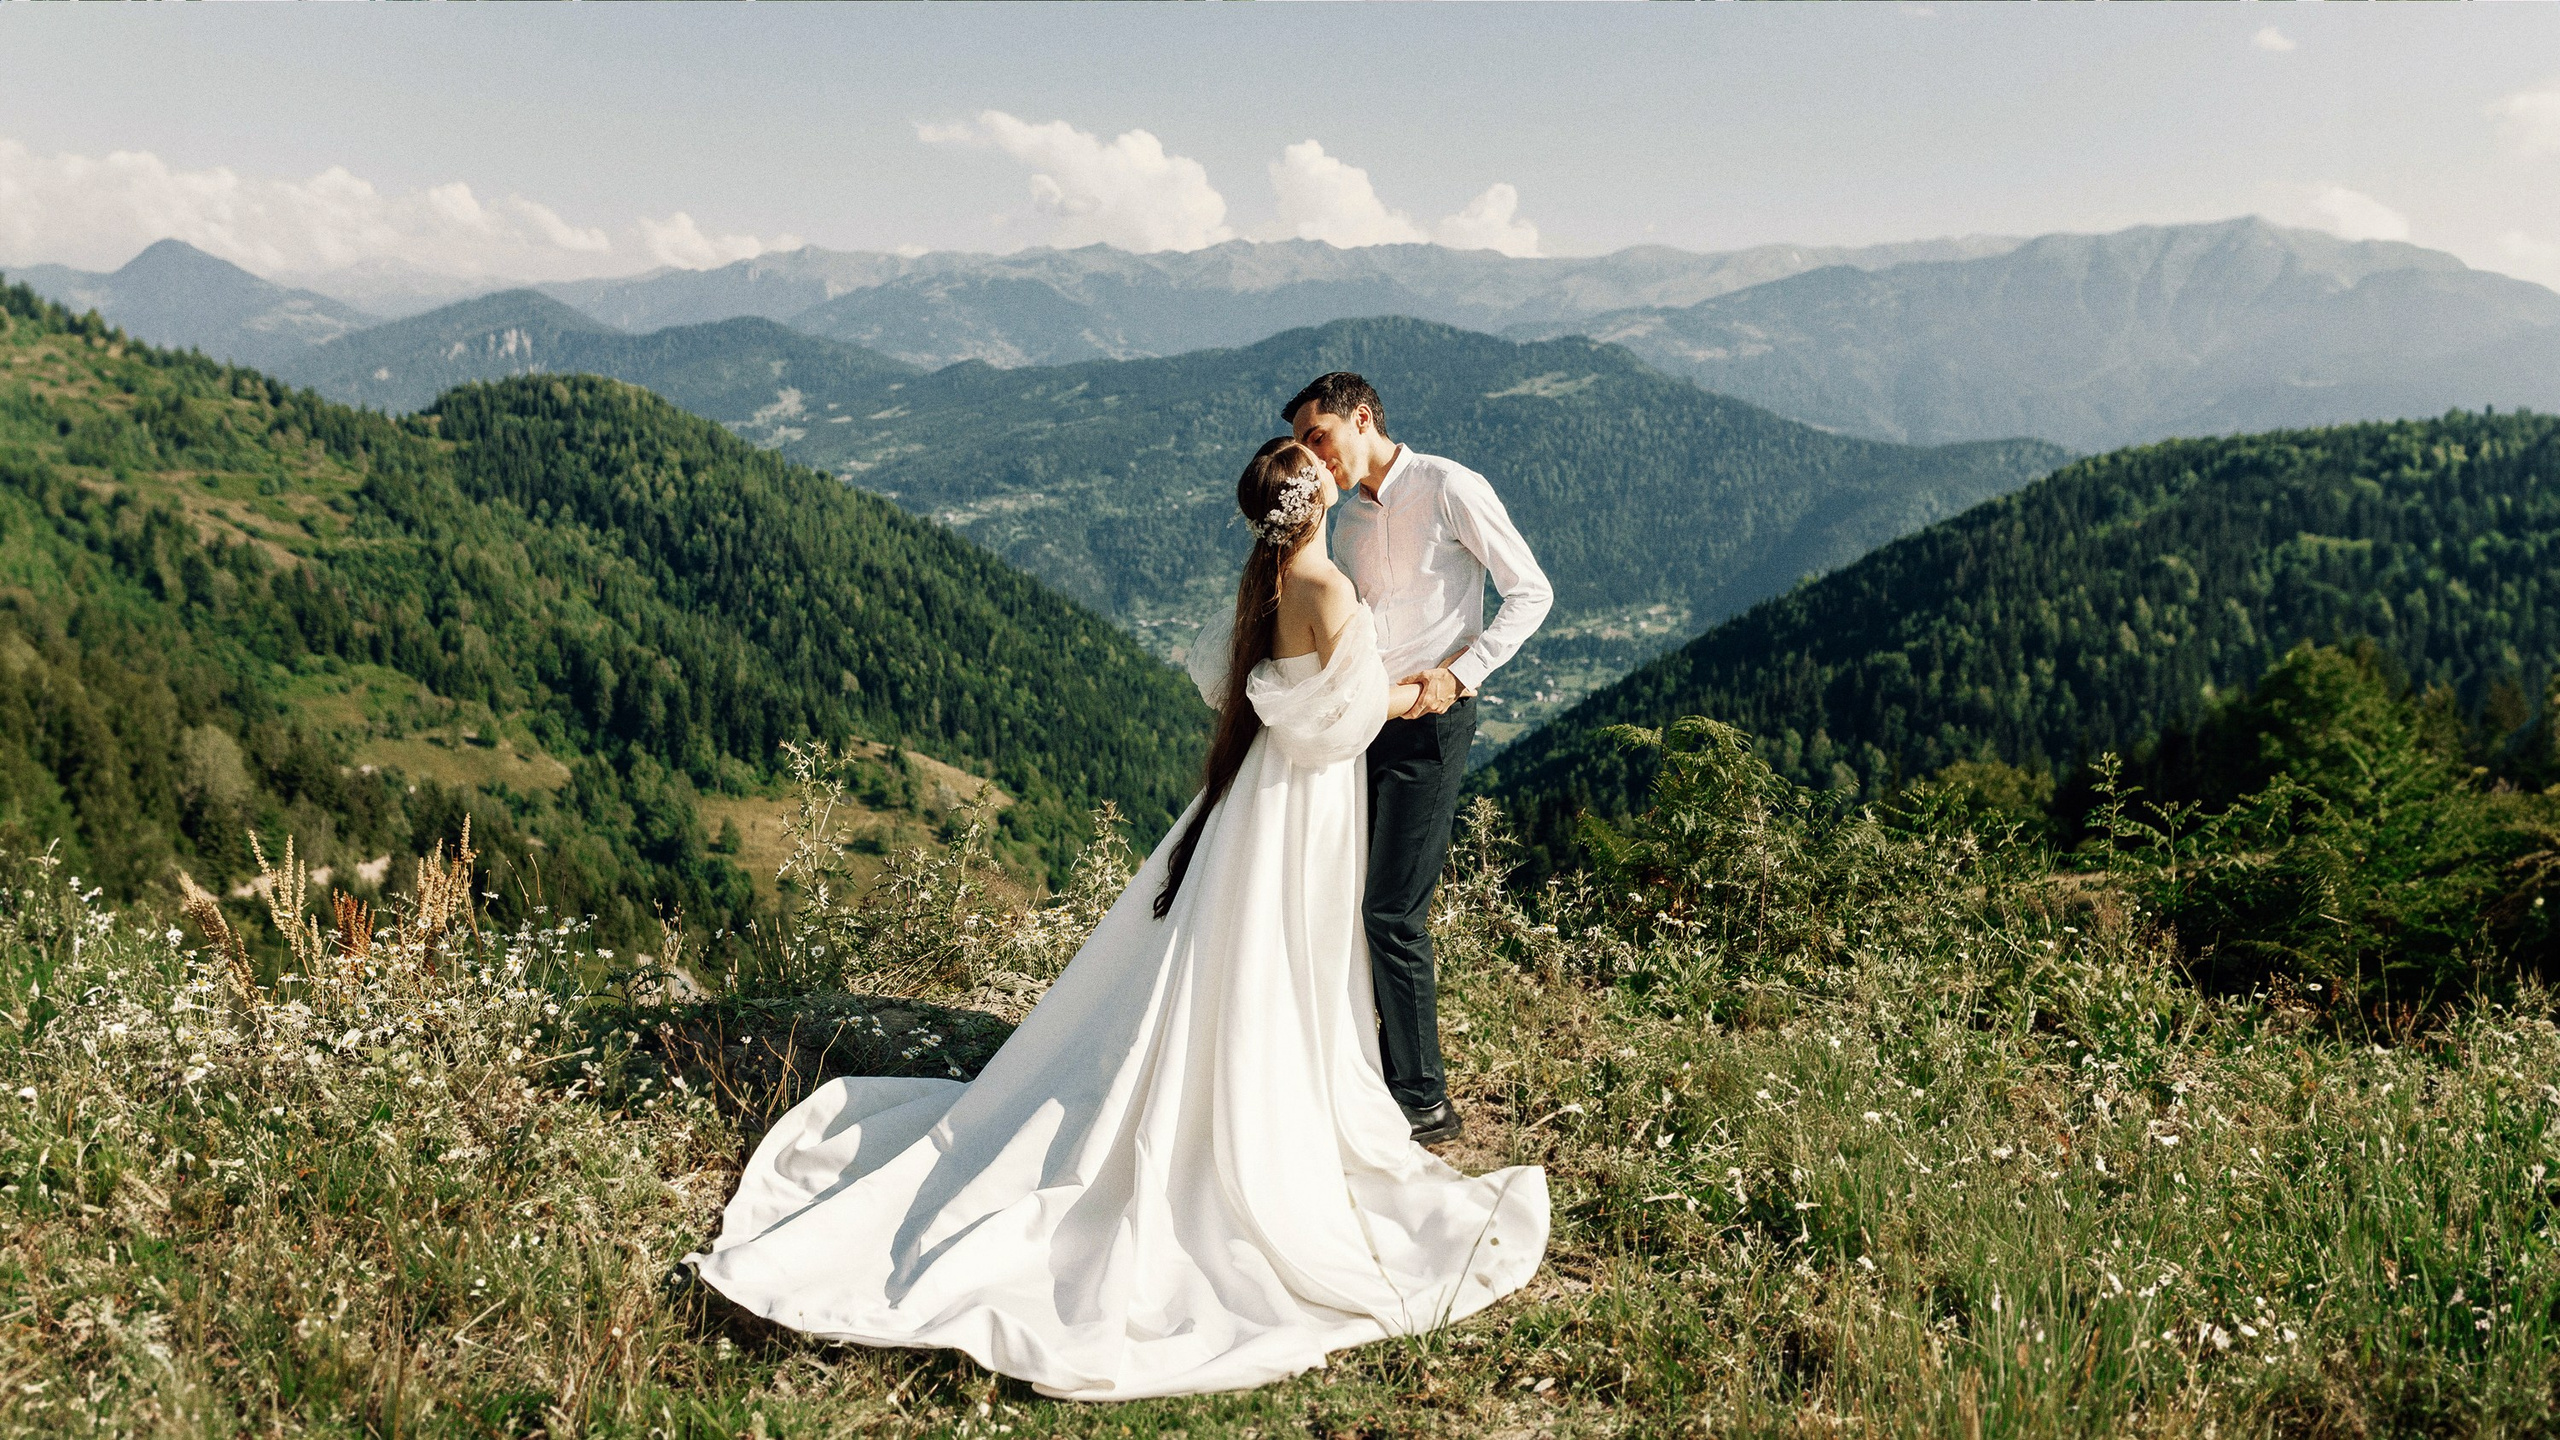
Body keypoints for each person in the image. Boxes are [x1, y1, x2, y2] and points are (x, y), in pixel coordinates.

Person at [687, 438, 1549, 1402]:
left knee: (1234, 944)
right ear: (1309, 508)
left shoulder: (1262, 584)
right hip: (1310, 803)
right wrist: (1421, 688)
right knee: (1284, 956)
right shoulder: (1330, 590)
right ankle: (1268, 1100)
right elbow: (1344, 725)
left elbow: (1242, 688)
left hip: (1255, 795)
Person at [1287, 373, 1553, 1145]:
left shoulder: (1448, 486)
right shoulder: (1346, 522)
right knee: (1345, 897)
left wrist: (1460, 674)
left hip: (1432, 722)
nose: (1313, 457)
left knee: (1392, 910)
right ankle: (1362, 1065)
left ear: (1361, 418)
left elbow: (1530, 592)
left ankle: (1425, 1103)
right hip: (1362, 721)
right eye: (1305, 443)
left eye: (1319, 436)